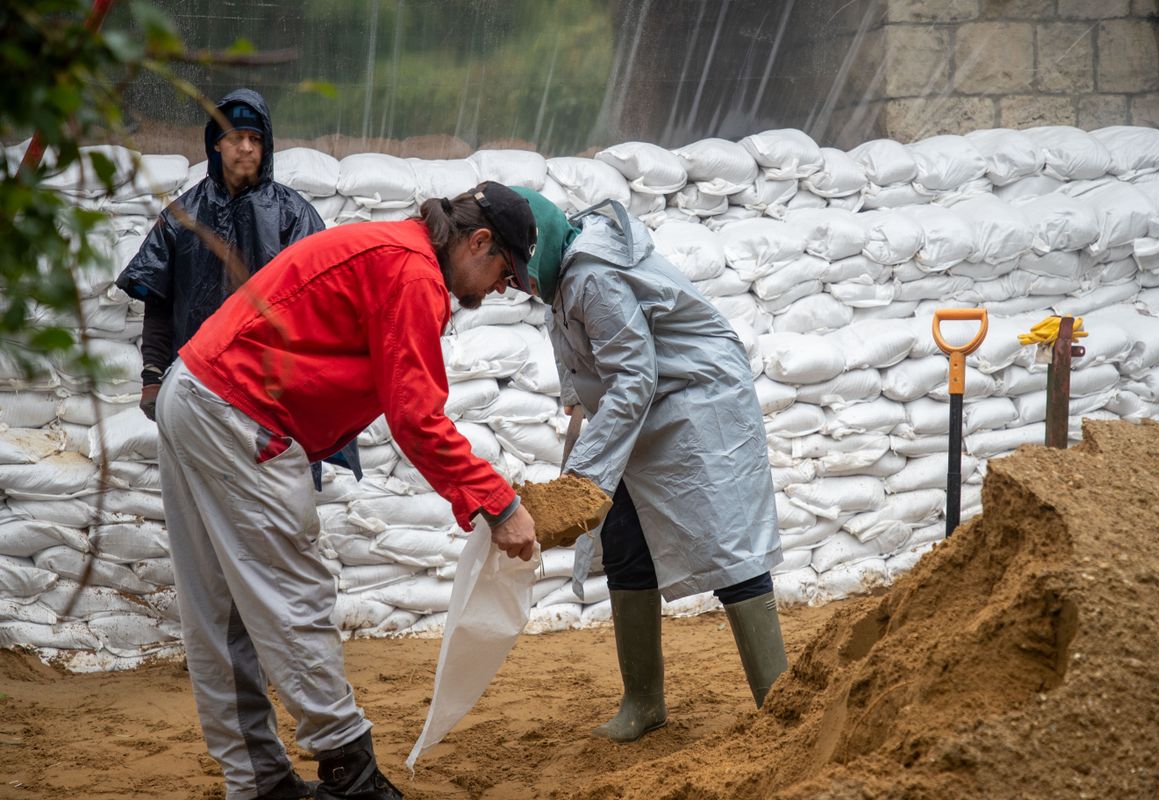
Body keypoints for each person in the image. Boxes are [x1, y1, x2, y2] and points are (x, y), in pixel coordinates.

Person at [153, 182, 539, 800]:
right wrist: (497, 503)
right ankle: (350, 773)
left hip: (197, 392)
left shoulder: (396, 249)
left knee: (221, 612)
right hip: (237, 409)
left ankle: (258, 784)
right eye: (504, 273)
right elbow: (416, 416)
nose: (501, 288)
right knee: (292, 593)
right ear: (479, 241)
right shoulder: (414, 273)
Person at [512, 187, 787, 742]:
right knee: (625, 541)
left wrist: (580, 476)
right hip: (635, 417)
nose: (508, 283)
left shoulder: (592, 275)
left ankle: (781, 700)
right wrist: (577, 418)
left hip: (694, 409)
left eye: (511, 269)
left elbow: (635, 375)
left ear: (532, 248)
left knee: (729, 547)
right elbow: (584, 365)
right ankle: (642, 700)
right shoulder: (560, 283)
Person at [116, 87, 358, 484]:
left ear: (266, 146)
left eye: (255, 138)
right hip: (199, 386)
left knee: (274, 506)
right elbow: (159, 303)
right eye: (235, 137)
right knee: (208, 500)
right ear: (216, 143)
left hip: (274, 396)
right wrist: (153, 376)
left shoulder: (294, 217)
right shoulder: (182, 218)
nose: (246, 147)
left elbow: (320, 312)